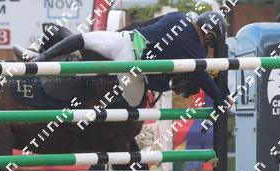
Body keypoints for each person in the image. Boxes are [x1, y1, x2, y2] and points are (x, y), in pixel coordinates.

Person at [13, 11, 230, 108]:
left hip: (124, 39)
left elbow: (152, 24)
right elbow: (202, 78)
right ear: (208, 35)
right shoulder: (195, 51)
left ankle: (39, 57)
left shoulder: (178, 16)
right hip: (132, 67)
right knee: (132, 107)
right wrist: (222, 99)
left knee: (82, 39)